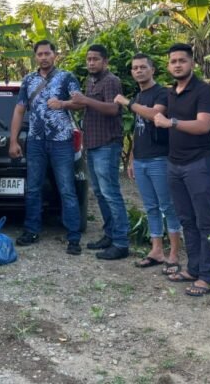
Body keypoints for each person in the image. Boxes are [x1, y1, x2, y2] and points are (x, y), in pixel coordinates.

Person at [154, 43, 210, 297]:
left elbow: (204, 126)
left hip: (199, 164)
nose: (177, 65)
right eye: (173, 61)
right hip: (175, 164)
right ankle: (193, 268)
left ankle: (207, 275)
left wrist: (170, 121)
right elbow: (154, 116)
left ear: (192, 63)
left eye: (182, 60)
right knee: (186, 219)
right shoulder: (170, 94)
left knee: (205, 221)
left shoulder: (204, 91)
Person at [9, 40, 84, 255]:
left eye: (47, 53)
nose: (43, 57)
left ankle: (73, 237)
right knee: (33, 188)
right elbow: (19, 110)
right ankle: (31, 230)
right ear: (36, 57)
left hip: (61, 141)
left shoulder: (66, 78)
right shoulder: (29, 80)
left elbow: (80, 103)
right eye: (39, 54)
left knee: (67, 189)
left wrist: (63, 104)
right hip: (35, 141)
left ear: (54, 55)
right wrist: (13, 140)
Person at [114, 53, 182, 270]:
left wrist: (127, 103)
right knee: (151, 206)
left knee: (167, 206)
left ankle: (174, 253)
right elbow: (138, 130)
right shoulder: (139, 96)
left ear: (152, 70)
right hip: (142, 160)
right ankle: (156, 250)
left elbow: (155, 115)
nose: (138, 71)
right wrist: (132, 158)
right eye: (135, 68)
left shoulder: (162, 93)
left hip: (159, 159)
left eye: (143, 67)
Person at [69, 44, 129, 260]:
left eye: (95, 59)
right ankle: (110, 235)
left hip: (107, 144)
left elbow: (114, 109)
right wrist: (65, 104)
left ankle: (121, 242)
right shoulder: (91, 81)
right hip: (93, 144)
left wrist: (85, 100)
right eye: (89, 59)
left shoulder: (111, 81)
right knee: (100, 193)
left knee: (111, 193)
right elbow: (86, 106)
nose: (91, 62)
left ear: (105, 61)